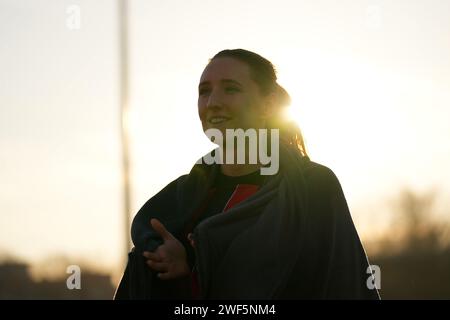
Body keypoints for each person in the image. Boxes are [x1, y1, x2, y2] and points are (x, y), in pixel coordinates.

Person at [114, 49, 380, 300]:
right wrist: (167, 269)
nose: (213, 102)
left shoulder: (314, 187)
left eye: (231, 89)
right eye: (204, 91)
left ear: (268, 105)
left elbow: (344, 286)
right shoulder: (180, 199)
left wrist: (194, 267)